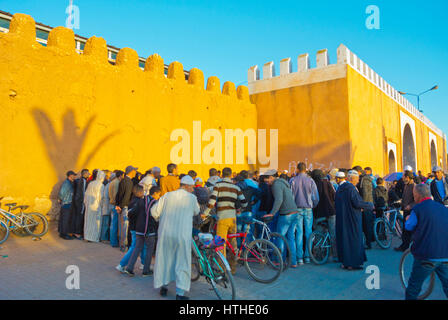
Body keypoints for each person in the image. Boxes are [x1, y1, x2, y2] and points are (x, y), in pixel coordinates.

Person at [151, 175, 200, 300]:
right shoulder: (192, 198)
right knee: (182, 262)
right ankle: (180, 294)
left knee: (165, 260)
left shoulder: (167, 196)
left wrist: (160, 220)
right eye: (192, 187)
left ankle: (164, 287)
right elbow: (196, 211)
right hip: (182, 235)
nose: (193, 189)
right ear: (187, 186)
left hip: (166, 234)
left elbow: (154, 211)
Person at [404, 184, 448, 300]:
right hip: (445, 253)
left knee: (413, 287)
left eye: (414, 195)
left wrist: (407, 219)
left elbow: (409, 226)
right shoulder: (443, 208)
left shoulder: (417, 209)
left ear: (418, 195)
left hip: (426, 254)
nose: (413, 197)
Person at [203, 167, 247, 275]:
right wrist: (240, 209)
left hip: (222, 218)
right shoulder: (236, 187)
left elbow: (212, 201)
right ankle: (232, 269)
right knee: (233, 243)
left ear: (222, 174)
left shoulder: (218, 185)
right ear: (231, 175)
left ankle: (221, 269)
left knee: (220, 244)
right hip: (233, 218)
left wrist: (205, 213)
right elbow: (244, 202)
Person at [335, 170, 374, 270]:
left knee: (344, 240)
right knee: (354, 240)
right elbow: (357, 203)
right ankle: (352, 264)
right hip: (352, 219)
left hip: (342, 219)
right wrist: (369, 205)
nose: (357, 181)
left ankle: (345, 262)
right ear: (352, 179)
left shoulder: (340, 188)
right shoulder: (351, 189)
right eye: (357, 179)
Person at [125, 185, 161, 277]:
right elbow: (156, 217)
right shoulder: (155, 203)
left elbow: (132, 213)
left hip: (139, 228)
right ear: (155, 193)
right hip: (149, 230)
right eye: (159, 194)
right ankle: (146, 270)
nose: (159, 196)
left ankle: (129, 268)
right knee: (149, 249)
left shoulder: (141, 200)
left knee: (137, 248)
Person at [265, 169, 299, 267]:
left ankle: (280, 261)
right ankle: (293, 262)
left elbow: (279, 200)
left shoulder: (276, 185)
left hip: (286, 214)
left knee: (280, 238)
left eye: (267, 179)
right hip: (294, 212)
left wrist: (272, 213)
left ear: (271, 177)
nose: (266, 181)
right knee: (291, 238)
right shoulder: (283, 183)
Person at [290, 162, 319, 264]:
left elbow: (291, 197)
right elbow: (316, 198)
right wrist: (312, 205)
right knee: (308, 232)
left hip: (297, 209)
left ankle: (300, 258)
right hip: (308, 209)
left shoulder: (293, 181)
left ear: (297, 169)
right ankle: (307, 256)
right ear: (306, 169)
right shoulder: (310, 180)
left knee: (299, 233)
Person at [116, 184, 147, 273]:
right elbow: (133, 214)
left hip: (134, 227)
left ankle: (144, 263)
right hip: (136, 228)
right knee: (134, 247)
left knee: (143, 245)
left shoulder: (133, 201)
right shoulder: (138, 202)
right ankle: (121, 264)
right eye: (142, 191)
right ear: (139, 192)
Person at [311, 169, 337, 262]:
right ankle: (335, 255)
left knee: (318, 233)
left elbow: (314, 199)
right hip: (331, 211)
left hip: (320, 212)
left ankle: (319, 254)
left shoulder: (314, 184)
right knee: (333, 233)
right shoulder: (329, 183)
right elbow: (334, 196)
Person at [116, 165, 138, 251]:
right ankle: (123, 246)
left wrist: (118, 205)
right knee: (125, 228)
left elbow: (119, 194)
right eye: (134, 171)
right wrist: (122, 206)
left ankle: (122, 244)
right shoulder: (129, 182)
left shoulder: (123, 180)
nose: (135, 172)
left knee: (122, 227)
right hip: (125, 207)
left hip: (121, 206)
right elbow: (126, 196)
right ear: (131, 172)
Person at [395, 171, 415, 252]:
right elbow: (404, 197)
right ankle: (404, 245)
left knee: (409, 229)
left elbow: (417, 200)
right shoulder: (406, 186)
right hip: (405, 210)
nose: (402, 179)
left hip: (411, 211)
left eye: (403, 177)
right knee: (405, 229)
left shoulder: (414, 186)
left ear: (408, 177)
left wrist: (410, 206)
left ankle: (407, 246)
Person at [84, 170, 106, 242]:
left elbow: (86, 194)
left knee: (88, 221)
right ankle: (94, 238)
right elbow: (101, 197)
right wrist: (102, 205)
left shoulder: (91, 183)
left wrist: (86, 203)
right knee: (96, 223)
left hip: (89, 205)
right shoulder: (101, 185)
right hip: (96, 206)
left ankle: (87, 236)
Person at [70, 169, 90, 240]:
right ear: (84, 174)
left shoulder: (83, 181)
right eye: (88, 173)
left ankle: (77, 232)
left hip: (80, 202)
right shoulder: (81, 181)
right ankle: (77, 233)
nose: (89, 174)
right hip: (79, 202)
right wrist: (80, 202)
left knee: (79, 217)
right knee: (79, 217)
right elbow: (80, 193)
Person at [58, 170, 77, 240]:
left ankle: (62, 233)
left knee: (64, 219)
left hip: (68, 202)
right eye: (74, 175)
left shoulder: (70, 182)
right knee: (65, 219)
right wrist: (60, 199)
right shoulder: (66, 183)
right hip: (66, 203)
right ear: (70, 175)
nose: (75, 176)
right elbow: (62, 192)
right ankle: (64, 234)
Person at [108, 170, 124, 247]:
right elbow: (116, 195)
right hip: (115, 204)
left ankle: (112, 240)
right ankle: (114, 242)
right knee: (114, 224)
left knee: (113, 223)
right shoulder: (117, 183)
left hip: (111, 203)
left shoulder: (112, 182)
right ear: (120, 176)